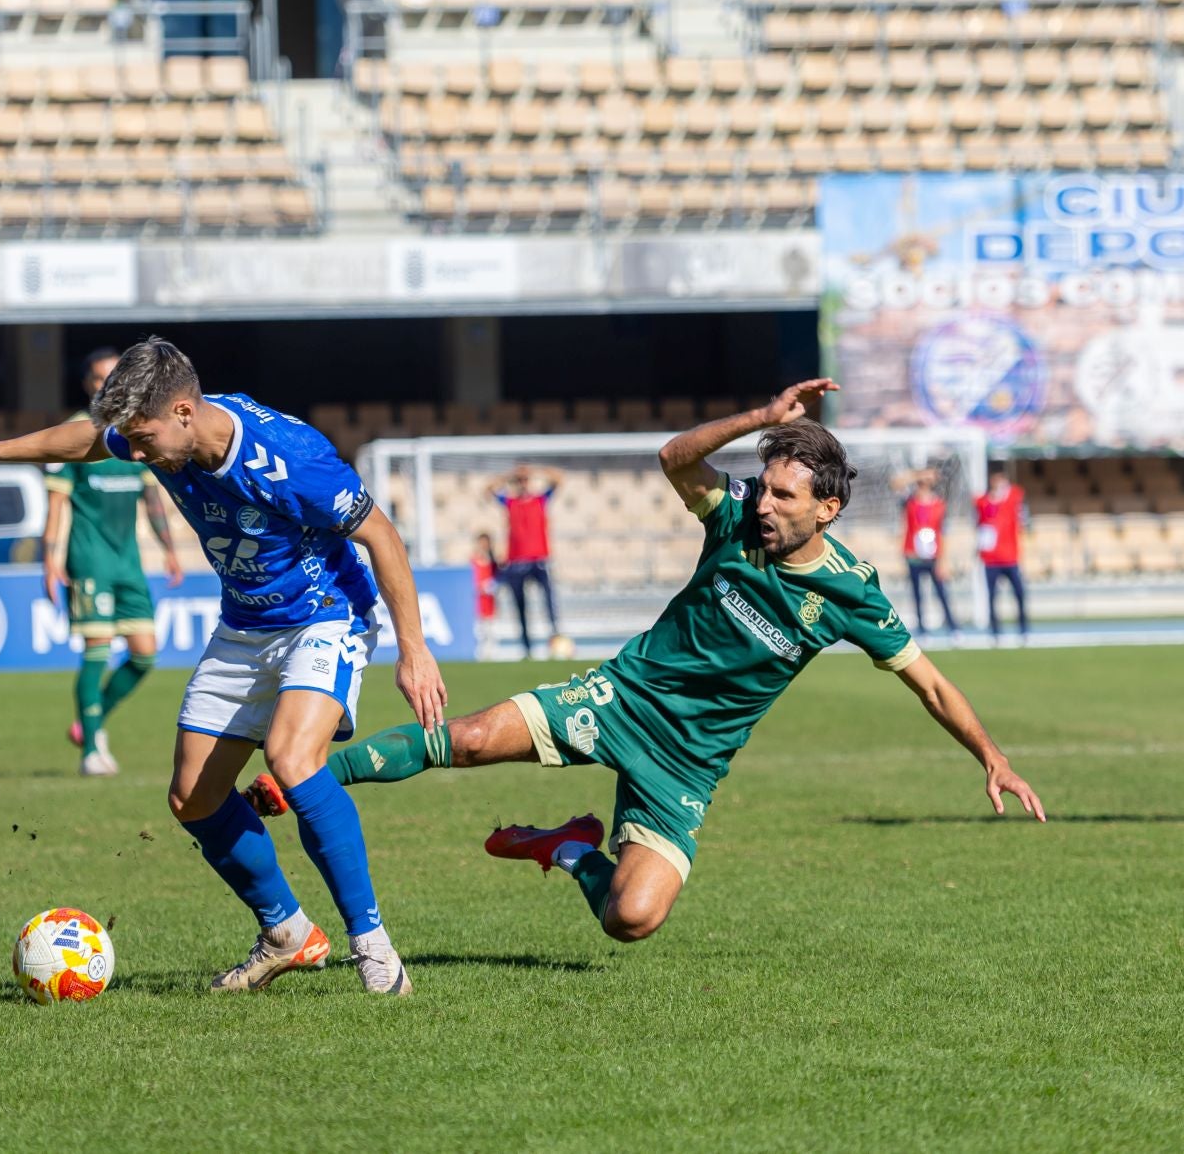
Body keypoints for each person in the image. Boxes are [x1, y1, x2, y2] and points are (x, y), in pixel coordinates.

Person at [247, 380, 1044, 944]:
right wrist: (762, 417)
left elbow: (931, 684)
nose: (766, 503)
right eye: (765, 487)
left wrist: (992, 755)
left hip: (688, 763)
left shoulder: (851, 594)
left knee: (631, 918)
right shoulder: (734, 518)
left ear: (827, 509)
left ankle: (564, 847)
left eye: (785, 497)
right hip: (623, 697)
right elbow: (674, 457)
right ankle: (301, 777)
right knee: (472, 737)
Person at [0, 337, 447, 995]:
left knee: (291, 758)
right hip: (245, 622)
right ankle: (287, 932)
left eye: (143, 441)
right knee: (192, 796)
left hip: (324, 613)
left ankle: (374, 947)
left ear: (184, 411)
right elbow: (89, 439)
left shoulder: (289, 457)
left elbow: (381, 535)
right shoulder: (157, 429)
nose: (137, 455)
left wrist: (414, 649)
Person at [44, 347, 185, 777]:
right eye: (99, 377)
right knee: (98, 650)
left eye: (113, 376)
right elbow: (56, 505)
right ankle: (92, 749)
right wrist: (50, 561)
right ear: (88, 384)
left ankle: (91, 721)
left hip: (128, 561)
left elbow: (151, 498)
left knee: (145, 654)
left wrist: (169, 550)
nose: (107, 384)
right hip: (90, 559)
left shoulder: (135, 430)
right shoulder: (74, 433)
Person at [487, 463, 563, 657]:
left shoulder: (540, 499)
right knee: (520, 605)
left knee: (549, 602)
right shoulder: (510, 502)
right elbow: (488, 489)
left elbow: (558, 479)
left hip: (539, 560)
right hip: (516, 562)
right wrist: (510, 474)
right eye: (519, 480)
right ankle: (527, 647)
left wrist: (535, 470)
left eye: (525, 480)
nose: (522, 483)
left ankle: (556, 640)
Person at [895, 468, 957, 635]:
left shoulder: (939, 504)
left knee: (942, 593)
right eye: (921, 482)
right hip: (914, 555)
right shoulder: (909, 501)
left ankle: (953, 627)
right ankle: (922, 629)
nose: (924, 485)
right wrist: (917, 475)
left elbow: (943, 533)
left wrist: (943, 560)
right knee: (917, 595)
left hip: (933, 556)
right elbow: (896, 484)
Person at [975, 469, 1029, 641]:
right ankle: (995, 631)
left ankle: (1023, 629)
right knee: (992, 596)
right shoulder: (984, 502)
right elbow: (979, 505)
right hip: (991, 559)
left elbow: (1017, 493)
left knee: (1019, 593)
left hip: (1010, 557)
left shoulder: (1012, 498)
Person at [470, 532, 500, 623]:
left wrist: (492, 584)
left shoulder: (493, 561)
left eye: (486, 543)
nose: (483, 545)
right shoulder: (473, 560)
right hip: (478, 597)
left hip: (490, 596)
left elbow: (497, 576)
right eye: (481, 543)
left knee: (490, 620)